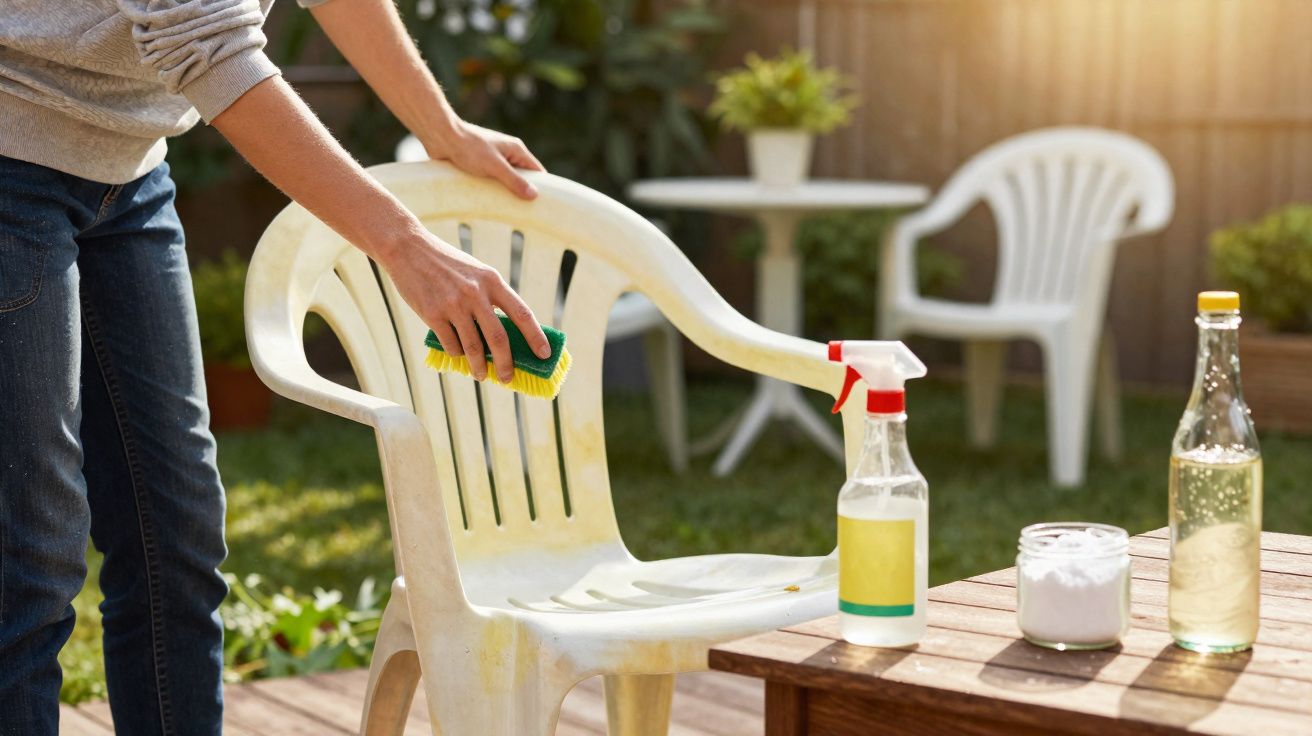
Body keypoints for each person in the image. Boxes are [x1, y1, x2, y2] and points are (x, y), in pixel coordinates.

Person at [0, 0, 552, 732]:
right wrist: (404, 247)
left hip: (129, 174)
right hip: (13, 158)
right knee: (33, 556)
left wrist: (441, 129)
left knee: (179, 542)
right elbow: (209, 47)